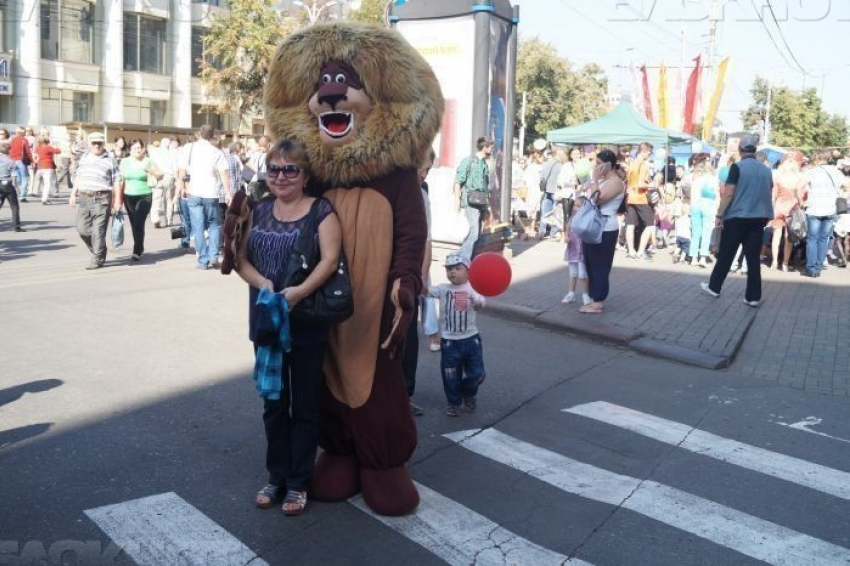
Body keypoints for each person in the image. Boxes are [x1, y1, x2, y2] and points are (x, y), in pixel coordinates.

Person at [234, 139, 342, 516]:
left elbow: (330, 261)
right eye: (274, 168)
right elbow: (239, 258)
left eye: (290, 169)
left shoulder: (321, 211)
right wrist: (263, 284)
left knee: (306, 404)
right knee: (274, 404)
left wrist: (297, 292)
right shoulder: (259, 209)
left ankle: (299, 483)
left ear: (305, 175)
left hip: (306, 319)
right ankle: (276, 477)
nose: (281, 176)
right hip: (267, 319)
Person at [700, 133, 773, 307]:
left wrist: (719, 214)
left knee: (726, 253)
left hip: (737, 216)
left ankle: (714, 286)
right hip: (758, 218)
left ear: (740, 150)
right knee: (753, 258)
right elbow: (768, 191)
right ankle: (753, 297)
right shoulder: (766, 170)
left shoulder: (737, 168)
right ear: (754, 150)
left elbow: (729, 193)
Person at [428, 253, 486, 417]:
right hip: (449, 342)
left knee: (476, 373)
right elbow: (426, 292)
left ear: (468, 271)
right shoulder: (443, 289)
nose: (452, 272)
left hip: (471, 340)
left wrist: (478, 303)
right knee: (450, 375)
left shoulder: (473, 289)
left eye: (457, 268)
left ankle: (468, 393)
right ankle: (454, 403)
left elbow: (480, 303)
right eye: (449, 269)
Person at [401, 149, 436, 416]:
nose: (423, 174)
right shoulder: (394, 192)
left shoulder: (422, 194)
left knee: (409, 336)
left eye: (428, 170)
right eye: (420, 168)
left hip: (411, 275)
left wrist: (423, 276)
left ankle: (405, 393)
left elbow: (427, 240)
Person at [177, 125, 231, 270]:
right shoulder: (216, 152)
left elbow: (181, 170)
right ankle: (214, 256)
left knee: (198, 227)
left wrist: (182, 187)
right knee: (214, 224)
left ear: (200, 134)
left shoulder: (189, 148)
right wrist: (227, 192)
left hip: (194, 192)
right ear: (212, 135)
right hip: (211, 193)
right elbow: (224, 173)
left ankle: (202, 260)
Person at [580, 149, 626, 314]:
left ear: (609, 165)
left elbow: (596, 199)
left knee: (600, 264)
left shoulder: (615, 182)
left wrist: (594, 179)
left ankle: (598, 301)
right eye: (596, 163)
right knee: (590, 263)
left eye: (599, 164)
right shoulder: (603, 180)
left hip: (605, 227)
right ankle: (593, 298)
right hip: (594, 225)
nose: (596, 167)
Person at [69, 132, 122, 270]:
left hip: (102, 197)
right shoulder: (84, 157)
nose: (97, 145)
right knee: (82, 229)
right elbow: (79, 177)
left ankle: (97, 258)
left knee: (98, 231)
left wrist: (117, 201)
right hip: (84, 196)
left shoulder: (110, 159)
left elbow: (117, 181)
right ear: (90, 144)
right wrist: (73, 194)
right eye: (94, 143)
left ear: (103, 144)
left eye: (100, 143)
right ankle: (100, 250)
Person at [801, 150, 847, 277]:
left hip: (814, 208)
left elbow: (800, 186)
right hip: (831, 209)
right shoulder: (835, 171)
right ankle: (818, 267)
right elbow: (847, 185)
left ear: (817, 158)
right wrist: (841, 194)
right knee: (823, 239)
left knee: (812, 239)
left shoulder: (812, 172)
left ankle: (811, 269)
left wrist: (802, 200)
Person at [120, 139, 163, 261]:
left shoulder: (148, 161)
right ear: (130, 150)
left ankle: (136, 250)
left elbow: (161, 175)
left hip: (145, 195)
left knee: (139, 222)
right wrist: (117, 199)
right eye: (135, 148)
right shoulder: (125, 162)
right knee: (135, 224)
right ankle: (140, 246)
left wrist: (152, 171)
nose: (137, 150)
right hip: (128, 195)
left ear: (143, 148)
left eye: (139, 147)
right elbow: (120, 179)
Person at [454, 136, 493, 260]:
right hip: (470, 202)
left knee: (477, 234)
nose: (492, 150)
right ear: (484, 148)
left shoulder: (484, 164)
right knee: (473, 233)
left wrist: (487, 207)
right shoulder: (469, 161)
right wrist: (457, 200)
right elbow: (458, 181)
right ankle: (462, 260)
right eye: (490, 147)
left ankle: (470, 260)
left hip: (481, 203)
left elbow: (485, 187)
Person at [770, 153, 805, 272]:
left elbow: (773, 195)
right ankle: (785, 263)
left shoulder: (778, 178)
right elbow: (800, 197)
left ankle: (774, 261)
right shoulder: (799, 179)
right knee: (788, 238)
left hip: (778, 207)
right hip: (792, 209)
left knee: (776, 235)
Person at [625, 142, 655, 260]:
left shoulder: (631, 163)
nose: (649, 155)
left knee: (630, 225)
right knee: (650, 225)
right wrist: (650, 184)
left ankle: (632, 251)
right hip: (640, 197)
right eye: (649, 153)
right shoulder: (643, 165)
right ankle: (641, 252)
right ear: (645, 151)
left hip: (630, 196)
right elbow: (641, 183)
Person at [688, 161, 720, 268]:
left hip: (695, 206)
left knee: (696, 233)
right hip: (708, 206)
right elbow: (716, 196)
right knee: (706, 232)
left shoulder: (696, 180)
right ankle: (702, 257)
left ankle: (693, 258)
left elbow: (692, 197)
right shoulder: (713, 180)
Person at [561, 195, 592, 306]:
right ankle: (571, 293)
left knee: (583, 274)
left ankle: (585, 294)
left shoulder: (586, 219)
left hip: (582, 250)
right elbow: (567, 229)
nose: (575, 208)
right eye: (575, 205)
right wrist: (566, 237)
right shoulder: (571, 218)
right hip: (573, 248)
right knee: (573, 273)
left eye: (578, 206)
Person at [150, 136, 177, 228]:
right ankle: (169, 220)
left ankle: (155, 218)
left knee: (156, 199)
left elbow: (151, 163)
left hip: (158, 176)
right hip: (169, 177)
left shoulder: (155, 152)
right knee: (169, 200)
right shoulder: (172, 153)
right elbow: (175, 167)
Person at [538, 148, 565, 239]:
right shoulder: (558, 164)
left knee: (546, 211)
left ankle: (542, 231)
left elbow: (543, 176)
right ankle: (553, 231)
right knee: (556, 212)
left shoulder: (550, 163)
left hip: (549, 190)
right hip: (556, 191)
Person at [0, 141, 24, 232]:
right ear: (8, 150)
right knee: (14, 206)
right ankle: (16, 226)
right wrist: (16, 186)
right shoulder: (10, 161)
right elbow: (14, 174)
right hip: (7, 184)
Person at [33, 135, 62, 205]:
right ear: (47, 141)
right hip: (48, 167)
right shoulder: (48, 147)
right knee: (47, 184)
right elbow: (58, 151)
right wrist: (56, 147)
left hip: (40, 167)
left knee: (43, 183)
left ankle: (45, 197)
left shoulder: (38, 148)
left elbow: (34, 155)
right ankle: (44, 199)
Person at [10, 126, 33, 203]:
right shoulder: (24, 140)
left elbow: (10, 150)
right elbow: (28, 151)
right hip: (21, 161)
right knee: (25, 178)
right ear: (23, 132)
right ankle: (22, 196)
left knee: (18, 179)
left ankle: (18, 193)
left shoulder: (12, 140)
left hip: (13, 161)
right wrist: (32, 161)